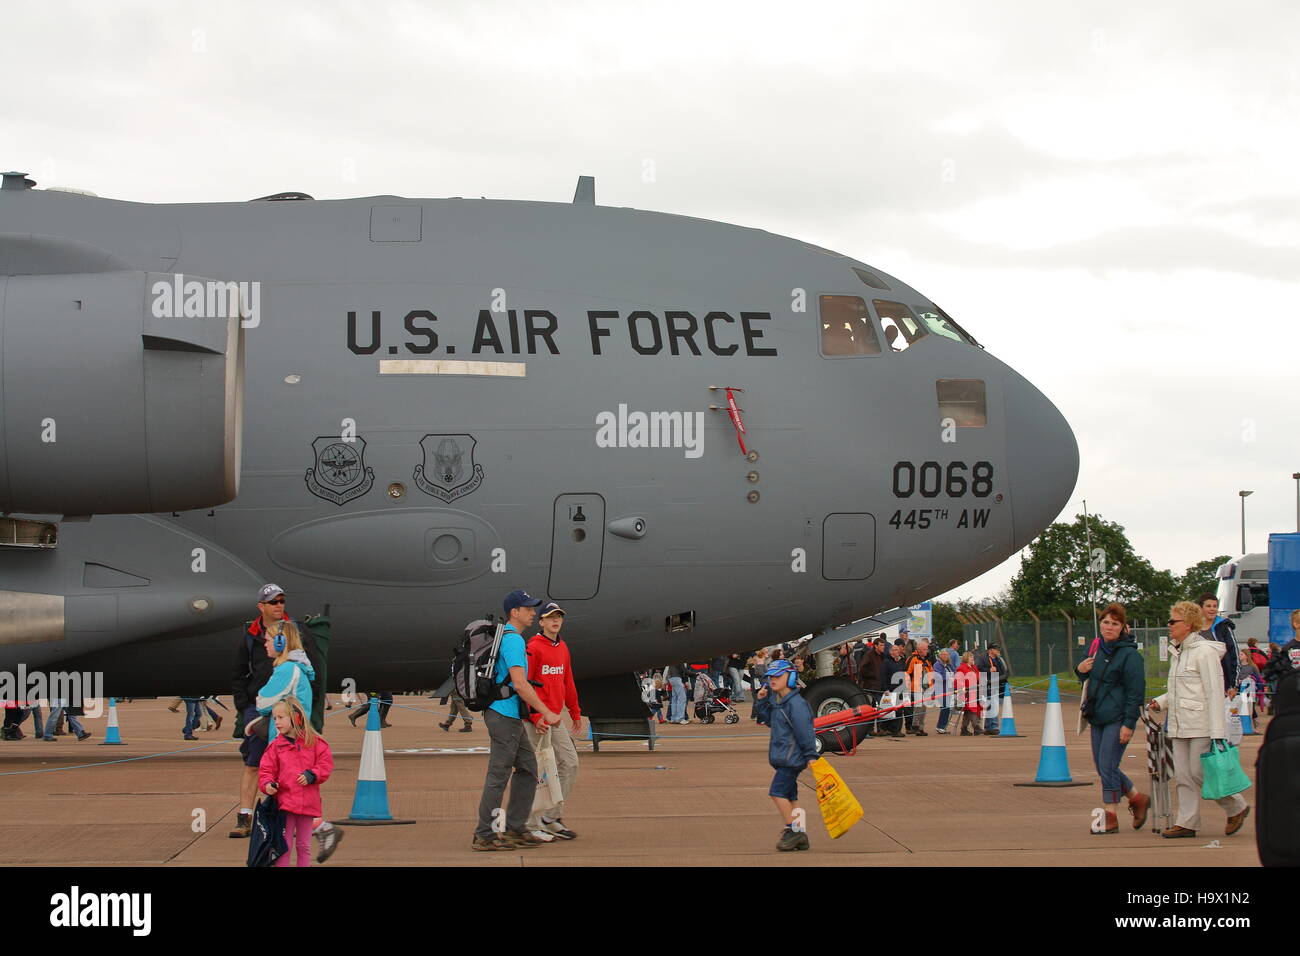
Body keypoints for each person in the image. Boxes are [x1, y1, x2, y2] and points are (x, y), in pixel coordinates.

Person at [1148, 601, 1249, 838]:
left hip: (1202, 724)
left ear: (1189, 624)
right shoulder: (1178, 651)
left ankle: (1237, 806)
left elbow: (1215, 692)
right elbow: (1179, 688)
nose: (1169, 625)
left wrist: (1217, 732)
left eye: (1174, 621)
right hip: (1179, 723)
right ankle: (1187, 822)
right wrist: (1161, 702)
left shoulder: (1205, 652)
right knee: (1182, 774)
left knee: (1198, 772)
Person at [472, 590, 562, 851]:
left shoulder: (512, 638)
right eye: (528, 608)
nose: (533, 613)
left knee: (528, 769)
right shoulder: (513, 641)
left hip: (509, 715)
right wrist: (546, 712)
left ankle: (515, 828)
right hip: (504, 715)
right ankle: (484, 835)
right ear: (515, 612)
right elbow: (521, 685)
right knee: (498, 775)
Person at [1075, 603, 1148, 834]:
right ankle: (1137, 798)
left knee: (1108, 764)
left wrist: (1129, 724)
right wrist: (1080, 670)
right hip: (1097, 716)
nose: (1109, 627)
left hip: (1117, 718)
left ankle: (1111, 814)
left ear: (1122, 627)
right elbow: (1089, 681)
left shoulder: (1130, 655)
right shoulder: (1098, 651)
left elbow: (1136, 692)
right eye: (1106, 622)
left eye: (1114, 623)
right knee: (1102, 766)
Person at [524, 601, 582, 842]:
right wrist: (536, 715)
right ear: (541, 622)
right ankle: (530, 822)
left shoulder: (563, 648)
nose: (555, 621)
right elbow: (525, 684)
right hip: (538, 719)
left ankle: (551, 817)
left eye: (558, 617)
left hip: (556, 718)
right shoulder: (533, 648)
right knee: (538, 771)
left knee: (570, 763)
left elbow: (567, 680)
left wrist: (575, 712)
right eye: (549, 617)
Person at [258, 696, 334, 868]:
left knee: (304, 846)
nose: (276, 722)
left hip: (308, 803)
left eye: (281, 718)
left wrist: (312, 775)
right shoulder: (275, 747)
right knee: (283, 846)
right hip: (285, 804)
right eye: (275, 718)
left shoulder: (314, 742)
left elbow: (325, 764)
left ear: (296, 718)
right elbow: (266, 771)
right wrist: (268, 785)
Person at [754, 658, 818, 852]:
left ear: (790, 677)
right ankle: (801, 835)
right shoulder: (778, 702)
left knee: (777, 793)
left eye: (777, 676)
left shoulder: (796, 704)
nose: (772, 680)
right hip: (784, 757)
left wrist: (811, 755)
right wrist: (762, 700)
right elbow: (767, 720)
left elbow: (805, 731)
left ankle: (794, 831)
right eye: (770, 676)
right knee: (790, 796)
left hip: (792, 758)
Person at [1198, 594, 1239, 699]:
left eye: (1215, 606)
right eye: (1208, 606)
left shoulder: (1224, 627)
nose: (1212, 609)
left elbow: (1234, 654)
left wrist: (1232, 685)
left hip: (1220, 680)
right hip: (1198, 680)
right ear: (1201, 608)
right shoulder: (1193, 628)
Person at [976, 644, 1007, 735]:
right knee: (991, 705)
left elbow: (1003, 671)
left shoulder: (999, 659)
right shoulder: (982, 658)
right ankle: (992, 726)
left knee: (994, 705)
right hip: (987, 685)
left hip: (996, 684)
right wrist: (989, 670)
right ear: (991, 650)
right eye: (996, 649)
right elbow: (978, 669)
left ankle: (990, 726)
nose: (998, 651)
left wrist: (1005, 681)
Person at [878, 641, 908, 737]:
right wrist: (885, 688)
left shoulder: (902, 661)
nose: (897, 651)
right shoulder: (886, 662)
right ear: (890, 652)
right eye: (894, 650)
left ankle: (896, 730)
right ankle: (885, 729)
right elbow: (883, 676)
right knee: (888, 710)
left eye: (897, 649)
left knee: (899, 711)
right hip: (890, 691)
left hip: (900, 690)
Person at [904, 639, 933, 736]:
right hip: (916, 688)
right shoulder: (913, 659)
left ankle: (920, 727)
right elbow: (907, 672)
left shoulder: (926, 660)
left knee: (922, 708)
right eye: (925, 649)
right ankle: (916, 726)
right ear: (920, 650)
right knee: (918, 707)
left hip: (925, 688)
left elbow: (930, 673)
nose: (927, 651)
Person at [956, 652, 982, 735]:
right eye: (971, 657)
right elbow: (958, 681)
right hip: (965, 693)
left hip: (974, 692)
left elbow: (979, 678)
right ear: (966, 658)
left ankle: (964, 729)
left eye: (973, 657)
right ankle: (976, 727)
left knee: (968, 710)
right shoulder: (961, 668)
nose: (972, 659)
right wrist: (963, 689)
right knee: (971, 709)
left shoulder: (974, 668)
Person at [934, 648, 957, 734]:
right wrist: (948, 678)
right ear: (940, 656)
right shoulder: (937, 665)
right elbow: (937, 676)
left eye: (947, 655)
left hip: (949, 689)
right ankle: (940, 726)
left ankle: (943, 726)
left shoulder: (949, 665)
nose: (945, 656)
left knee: (948, 708)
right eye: (943, 655)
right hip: (941, 690)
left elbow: (954, 672)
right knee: (945, 708)